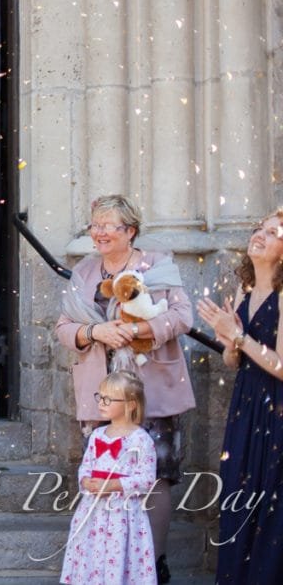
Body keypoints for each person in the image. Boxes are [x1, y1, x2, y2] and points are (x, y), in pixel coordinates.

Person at [54, 194, 194, 584]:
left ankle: (155, 560)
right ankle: (107, 560)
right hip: (102, 391)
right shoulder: (82, 271)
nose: (98, 232)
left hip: (153, 388)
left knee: (155, 476)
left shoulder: (157, 265)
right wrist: (94, 331)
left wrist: (136, 330)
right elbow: (64, 326)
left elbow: (183, 316)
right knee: (104, 471)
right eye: (94, 225)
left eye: (107, 225)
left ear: (130, 231)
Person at [197, 210, 283, 583]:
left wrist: (239, 336)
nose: (259, 236)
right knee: (241, 494)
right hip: (246, 407)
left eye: (272, 232)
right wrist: (227, 336)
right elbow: (233, 362)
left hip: (276, 411)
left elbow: (281, 366)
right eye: (258, 229)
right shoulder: (245, 292)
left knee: (271, 504)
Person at [59, 372, 157, 585]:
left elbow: (147, 479)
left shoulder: (141, 440)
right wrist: (86, 481)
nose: (101, 403)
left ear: (131, 404)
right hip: (93, 512)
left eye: (108, 399)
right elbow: (86, 467)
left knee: (117, 555)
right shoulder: (97, 435)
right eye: (100, 397)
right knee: (91, 556)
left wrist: (113, 485)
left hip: (123, 516)